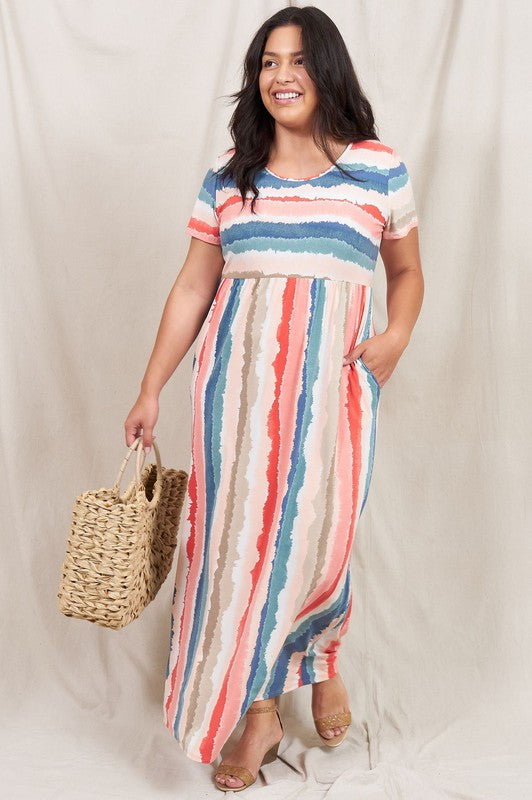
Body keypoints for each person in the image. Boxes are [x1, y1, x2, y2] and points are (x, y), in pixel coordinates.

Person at [124, 4, 423, 793]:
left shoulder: (377, 167)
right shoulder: (231, 175)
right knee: (238, 547)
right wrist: (151, 386)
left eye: (296, 61)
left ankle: (321, 655)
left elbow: (407, 273)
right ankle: (259, 711)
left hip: (334, 389)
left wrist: (395, 336)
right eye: (267, 63)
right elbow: (194, 286)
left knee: (319, 535)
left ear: (328, 71)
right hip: (236, 394)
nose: (281, 76)